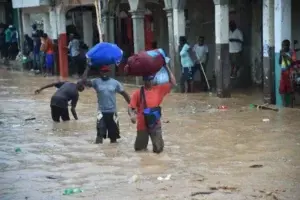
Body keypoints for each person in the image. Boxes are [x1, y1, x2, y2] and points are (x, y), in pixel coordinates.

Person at [128, 65, 176, 154]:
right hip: (142, 125)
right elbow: (131, 107)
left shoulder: (159, 89)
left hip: (155, 123)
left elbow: (173, 83)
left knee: (159, 150)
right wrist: (132, 116)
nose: (149, 82)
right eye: (147, 80)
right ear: (144, 81)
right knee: (140, 151)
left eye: (150, 80)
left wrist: (167, 68)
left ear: (153, 79)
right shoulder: (138, 93)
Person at [82, 65, 131, 144]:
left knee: (114, 138)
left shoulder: (115, 83)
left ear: (109, 72)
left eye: (106, 71)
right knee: (99, 136)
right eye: (102, 71)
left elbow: (124, 94)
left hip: (113, 112)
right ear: (100, 72)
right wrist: (87, 68)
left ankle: (113, 154)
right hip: (101, 113)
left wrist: (132, 106)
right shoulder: (96, 82)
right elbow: (83, 82)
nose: (104, 73)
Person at [279, 39, 297, 107]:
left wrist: (286, 56)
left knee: (290, 89)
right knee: (282, 89)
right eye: (282, 46)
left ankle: (291, 105)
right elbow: (279, 62)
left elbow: (293, 62)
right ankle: (284, 104)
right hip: (283, 72)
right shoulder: (282, 51)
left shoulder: (292, 52)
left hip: (290, 72)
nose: (283, 47)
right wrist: (281, 55)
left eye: (284, 46)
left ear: (288, 46)